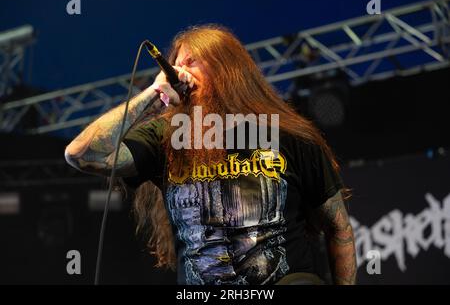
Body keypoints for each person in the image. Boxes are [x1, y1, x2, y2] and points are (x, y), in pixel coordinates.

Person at [65, 24, 356, 285]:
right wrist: (153, 94)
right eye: (176, 66)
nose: (180, 73)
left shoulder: (286, 135)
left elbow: (338, 227)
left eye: (192, 62)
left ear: (226, 69)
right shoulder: (164, 137)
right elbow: (83, 154)